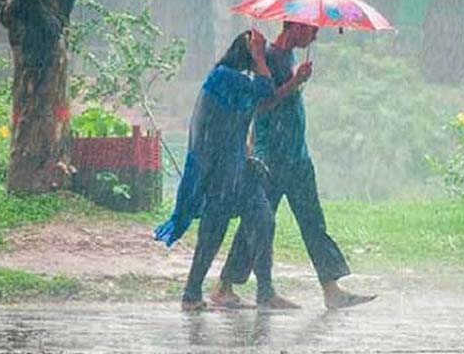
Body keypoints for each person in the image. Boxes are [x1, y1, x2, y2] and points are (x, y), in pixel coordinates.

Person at [214, 21, 377, 309]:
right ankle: (226, 286)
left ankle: (331, 289)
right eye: (312, 30)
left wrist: (297, 80)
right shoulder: (268, 58)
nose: (315, 35)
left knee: (312, 222)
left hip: (296, 156)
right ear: (295, 27)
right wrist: (295, 82)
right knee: (257, 223)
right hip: (272, 158)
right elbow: (262, 104)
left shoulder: (288, 57)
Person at [153, 29, 299, 311]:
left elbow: (252, 110)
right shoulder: (224, 77)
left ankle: (265, 292)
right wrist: (260, 58)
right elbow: (265, 89)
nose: (263, 58)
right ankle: (192, 293)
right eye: (258, 52)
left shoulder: (237, 81)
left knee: (263, 220)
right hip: (219, 173)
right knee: (213, 232)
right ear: (247, 53)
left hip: (238, 170)